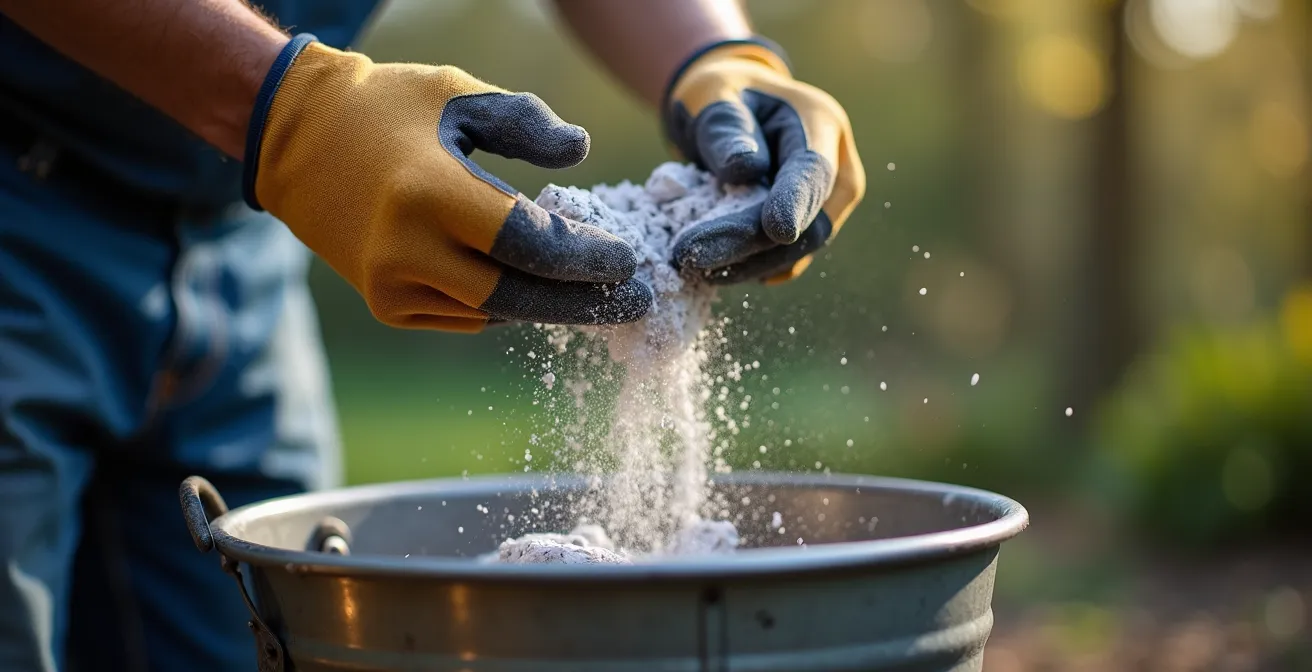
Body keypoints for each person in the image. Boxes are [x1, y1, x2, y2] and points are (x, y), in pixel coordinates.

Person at [0, 0, 864, 669]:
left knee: (263, 638)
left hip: (240, 236)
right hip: (22, 209)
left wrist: (717, 55)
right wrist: (294, 115)